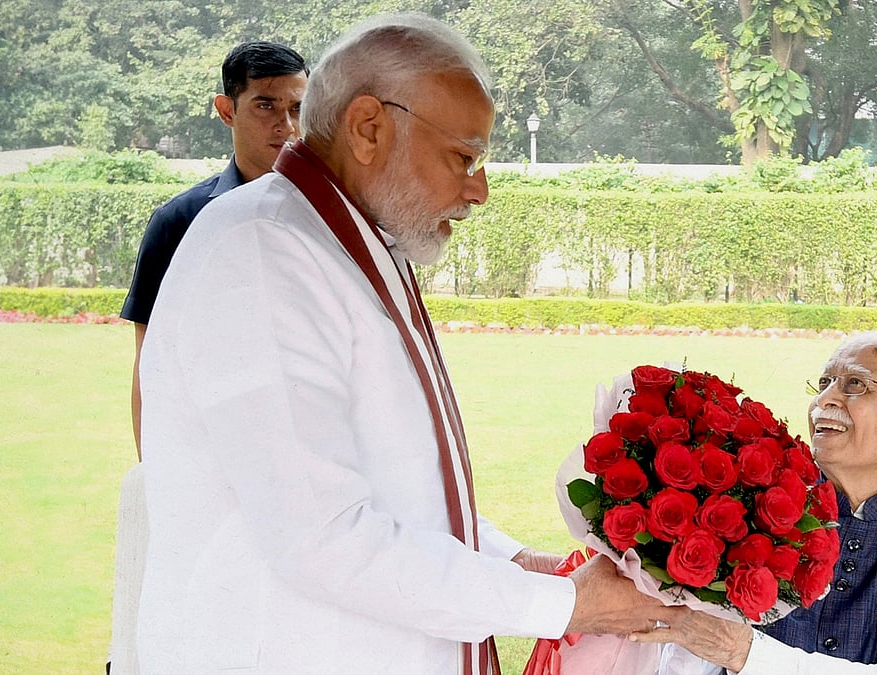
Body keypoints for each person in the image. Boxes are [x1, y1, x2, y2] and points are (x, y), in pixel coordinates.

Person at [134, 13, 683, 674]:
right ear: (369, 128)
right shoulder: (263, 249)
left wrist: (519, 562)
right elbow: (323, 537)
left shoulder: (345, 240)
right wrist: (561, 602)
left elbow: (404, 491)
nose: (478, 189)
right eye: (463, 157)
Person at [633, 331, 877, 674]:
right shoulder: (758, 494)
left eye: (855, 385)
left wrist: (745, 654)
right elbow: (694, 642)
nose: (824, 401)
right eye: (824, 383)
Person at [120, 40, 308, 458]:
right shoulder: (178, 222)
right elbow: (151, 364)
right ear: (227, 110)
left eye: (297, 108)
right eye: (265, 106)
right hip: (213, 453)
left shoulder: (334, 220)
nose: (287, 125)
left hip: (316, 451)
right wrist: (156, 476)